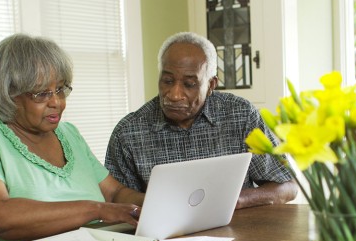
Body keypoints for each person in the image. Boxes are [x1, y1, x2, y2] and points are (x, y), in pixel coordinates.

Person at [0, 34, 143, 241]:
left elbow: (113, 194)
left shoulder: (68, 134)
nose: (57, 102)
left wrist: (153, 205)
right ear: (8, 94)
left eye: (61, 89)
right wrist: (95, 210)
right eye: (42, 93)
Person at [104, 32, 298, 209]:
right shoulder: (128, 132)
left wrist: (235, 201)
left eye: (189, 84)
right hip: (166, 239)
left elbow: (287, 186)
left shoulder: (241, 115)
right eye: (167, 81)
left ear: (211, 84)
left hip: (238, 233)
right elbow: (114, 198)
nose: (174, 94)